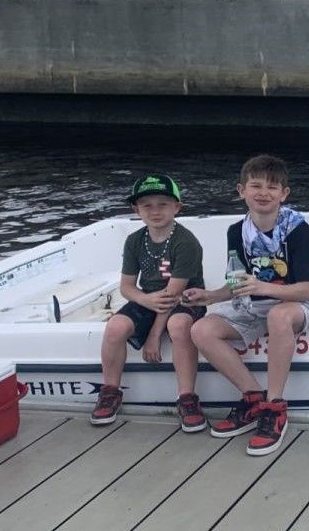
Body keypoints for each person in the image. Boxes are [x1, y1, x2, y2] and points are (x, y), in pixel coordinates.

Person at [186, 155, 309, 456]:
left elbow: (306, 290)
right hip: (252, 305)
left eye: (272, 187)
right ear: (241, 190)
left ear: (284, 194)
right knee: (202, 330)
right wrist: (209, 296)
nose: (263, 192)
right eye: (255, 185)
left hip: (296, 305)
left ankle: (275, 407)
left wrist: (261, 287)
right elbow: (237, 285)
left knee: (278, 315)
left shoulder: (299, 230)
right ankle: (253, 398)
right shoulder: (237, 232)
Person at [90, 174, 208, 430]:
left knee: (178, 325)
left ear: (177, 206)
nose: (155, 211)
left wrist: (154, 335)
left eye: (163, 204)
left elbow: (173, 294)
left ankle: (187, 397)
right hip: (151, 296)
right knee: (115, 327)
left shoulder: (186, 242)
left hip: (185, 297)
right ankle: (110, 391)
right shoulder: (134, 240)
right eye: (147, 205)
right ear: (136, 210)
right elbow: (127, 287)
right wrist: (145, 299)